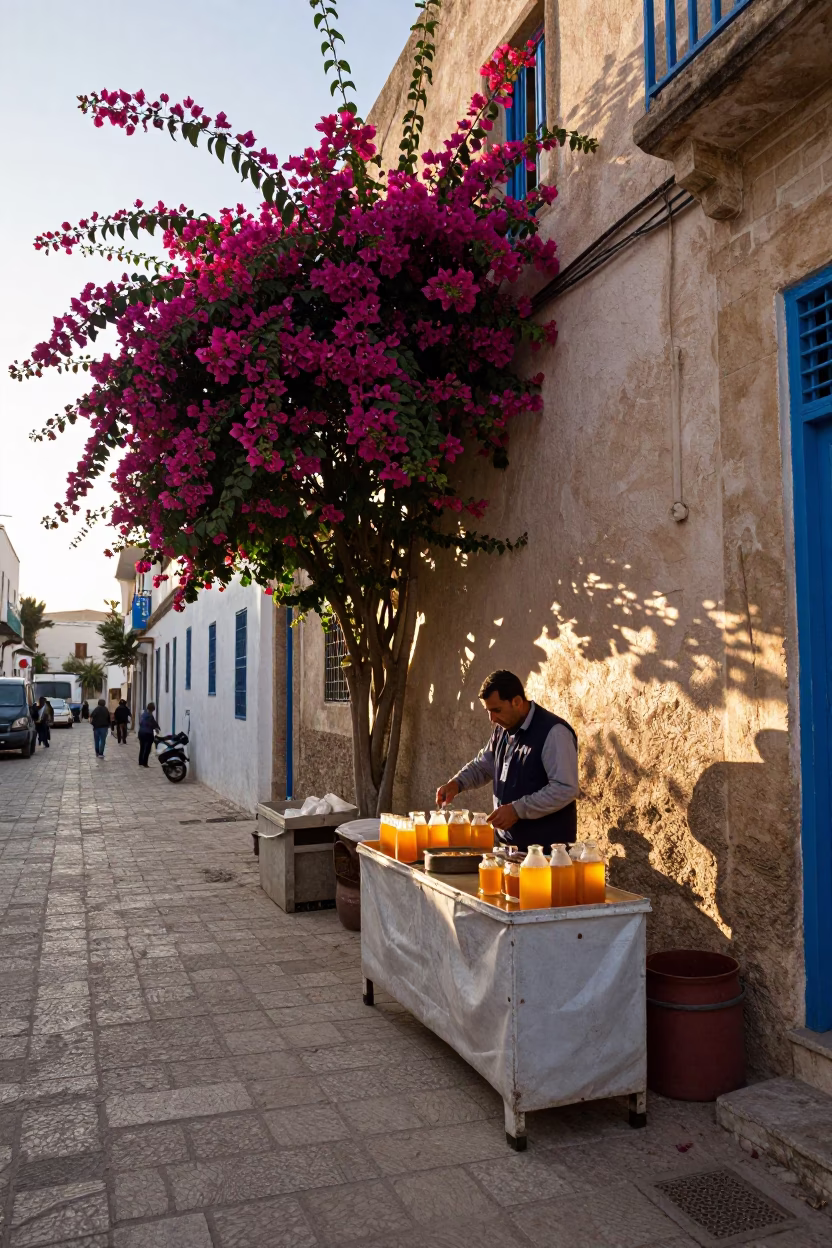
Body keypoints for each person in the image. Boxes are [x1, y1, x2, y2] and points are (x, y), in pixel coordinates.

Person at [436, 669, 579, 853]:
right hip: (508, 850)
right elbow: (483, 766)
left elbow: (565, 788)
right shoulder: (502, 729)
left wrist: (517, 810)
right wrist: (456, 783)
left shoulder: (554, 732)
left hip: (546, 855)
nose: (492, 719)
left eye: (497, 710)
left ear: (517, 702)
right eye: (488, 711)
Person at [138, 702, 160, 768]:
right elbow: (153, 724)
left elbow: (141, 723)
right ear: (153, 709)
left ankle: (140, 761)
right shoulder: (150, 716)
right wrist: (157, 728)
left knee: (142, 747)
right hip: (148, 733)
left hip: (141, 732)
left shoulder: (143, 714)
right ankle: (145, 763)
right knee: (147, 749)